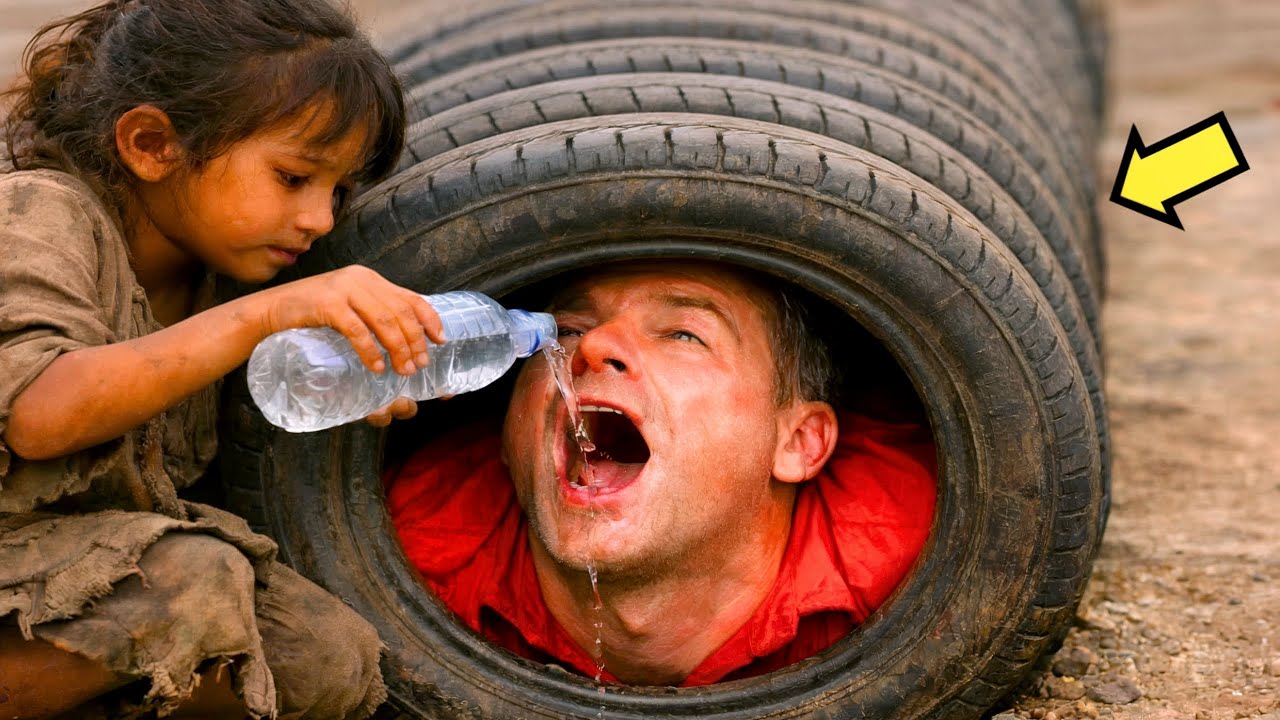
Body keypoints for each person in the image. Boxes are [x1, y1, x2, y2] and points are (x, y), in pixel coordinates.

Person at [0, 1, 441, 717]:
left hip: (86, 566)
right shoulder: (37, 215)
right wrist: (263, 317)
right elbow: (37, 413)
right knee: (193, 582)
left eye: (338, 191)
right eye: (293, 178)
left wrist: (349, 380)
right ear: (151, 146)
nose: (320, 219)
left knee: (324, 657)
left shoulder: (221, 275)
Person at [387, 261, 937, 687]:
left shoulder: (919, 558)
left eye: (682, 335)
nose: (594, 346)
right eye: (569, 328)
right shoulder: (404, 551)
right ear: (508, 435)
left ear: (798, 443)